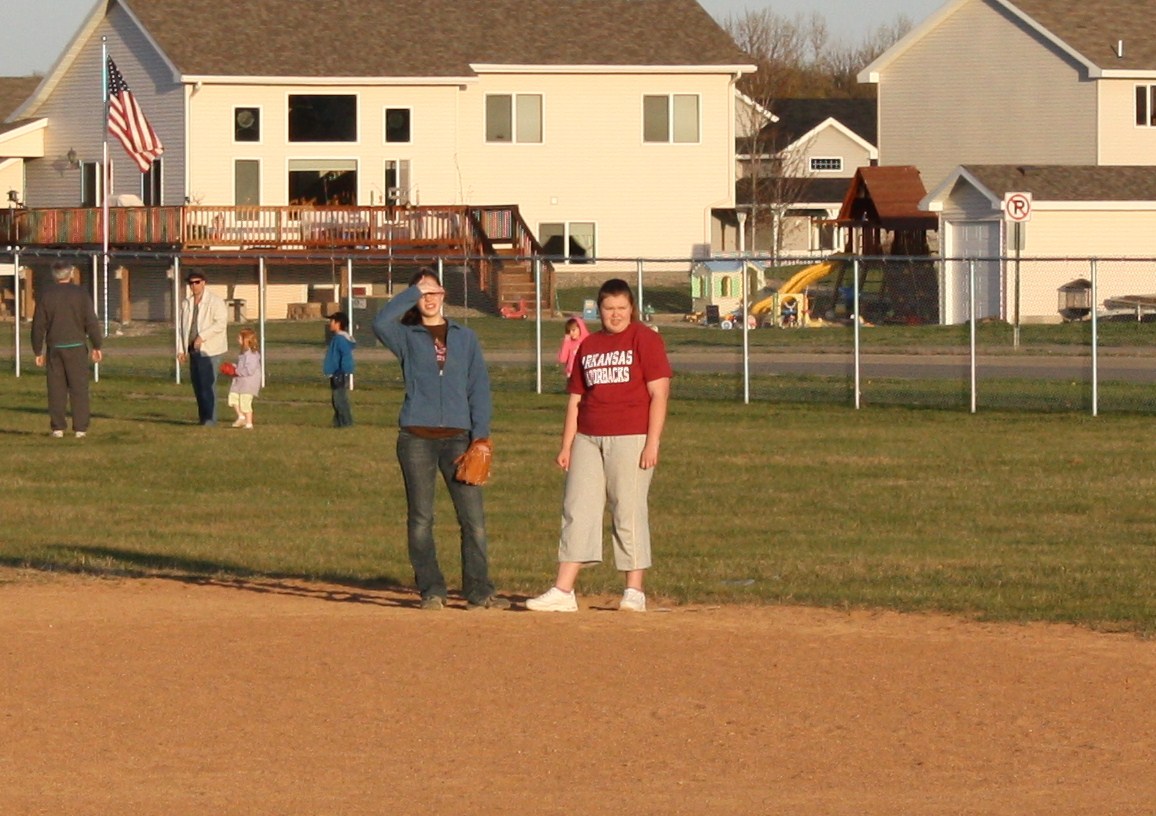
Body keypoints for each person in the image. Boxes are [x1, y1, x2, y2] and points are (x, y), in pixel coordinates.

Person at [527, 278, 672, 613]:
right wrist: (566, 445)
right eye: (609, 308)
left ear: (631, 308)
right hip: (588, 438)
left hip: (630, 435)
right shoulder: (589, 346)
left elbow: (659, 394)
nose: (616, 315)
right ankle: (563, 589)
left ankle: (634, 590)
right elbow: (576, 399)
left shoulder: (644, 339)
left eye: (622, 308)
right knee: (577, 508)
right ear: (599, 310)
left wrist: (652, 443)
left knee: (628, 509)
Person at [373, 269, 509, 611]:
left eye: (433, 291)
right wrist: (411, 291)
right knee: (421, 518)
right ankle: (432, 590)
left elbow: (478, 387)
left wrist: (480, 436)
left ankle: (478, 592)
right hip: (416, 437)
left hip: (459, 439)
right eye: (422, 293)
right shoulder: (406, 335)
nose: (429, 298)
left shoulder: (465, 337)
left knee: (473, 520)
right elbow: (379, 321)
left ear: (444, 294)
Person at [30, 260, 104, 438]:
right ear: (70, 274)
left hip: (55, 347)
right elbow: (91, 321)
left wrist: (37, 350)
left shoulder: (46, 295)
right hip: (77, 347)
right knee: (79, 387)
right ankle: (80, 428)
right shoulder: (80, 294)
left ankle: (58, 428)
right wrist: (97, 344)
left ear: (53, 276)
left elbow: (38, 325)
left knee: (56, 388)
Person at [177, 270, 228, 425]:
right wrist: (181, 350)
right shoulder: (186, 304)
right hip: (193, 350)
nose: (194, 286)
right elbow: (181, 328)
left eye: (197, 282)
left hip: (210, 350)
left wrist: (202, 336)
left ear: (204, 283)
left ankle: (210, 419)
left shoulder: (215, 301)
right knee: (198, 385)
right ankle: (203, 417)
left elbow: (220, 323)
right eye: (191, 283)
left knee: (208, 384)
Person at [322, 311, 356, 428]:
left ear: (338, 323)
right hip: (336, 373)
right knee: (336, 399)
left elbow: (346, 356)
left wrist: (343, 372)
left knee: (339, 400)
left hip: (339, 373)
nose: (330, 323)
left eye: (332, 321)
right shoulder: (338, 338)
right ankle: (338, 423)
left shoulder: (340, 339)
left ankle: (346, 423)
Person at [226, 328, 261, 429]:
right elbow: (241, 367)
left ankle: (249, 423)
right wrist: (233, 367)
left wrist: (236, 371)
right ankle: (241, 417)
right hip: (239, 381)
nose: (238, 340)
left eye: (240, 338)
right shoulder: (243, 353)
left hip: (248, 383)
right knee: (233, 397)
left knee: (245, 403)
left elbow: (249, 370)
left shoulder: (252, 355)